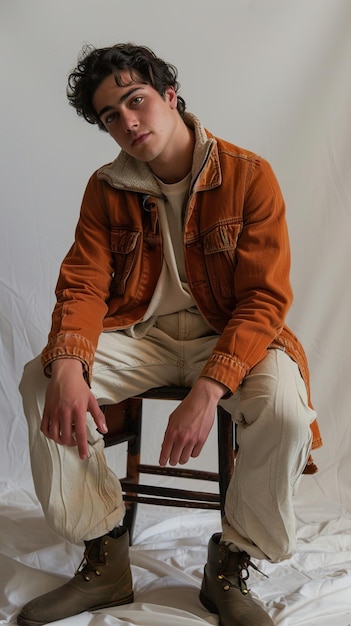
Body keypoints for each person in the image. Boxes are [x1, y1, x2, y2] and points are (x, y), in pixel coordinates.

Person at [18, 42, 322, 626]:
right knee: (42, 380)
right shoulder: (106, 187)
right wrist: (67, 366)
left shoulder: (248, 176)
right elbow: (83, 284)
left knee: (286, 410)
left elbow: (264, 298)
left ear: (170, 97)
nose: (127, 122)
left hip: (229, 337)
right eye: (111, 115)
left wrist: (210, 389)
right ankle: (104, 555)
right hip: (144, 336)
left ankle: (232, 562)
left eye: (136, 101)